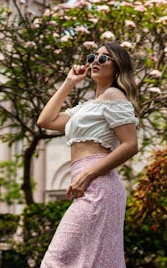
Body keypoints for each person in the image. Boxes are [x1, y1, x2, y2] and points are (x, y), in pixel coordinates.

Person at [37, 41, 140, 268]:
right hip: (89, 182)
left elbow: (131, 144)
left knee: (56, 261)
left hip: (98, 183)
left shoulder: (114, 95)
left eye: (103, 58)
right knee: (84, 261)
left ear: (117, 68)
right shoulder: (87, 107)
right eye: (92, 57)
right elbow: (45, 120)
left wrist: (87, 175)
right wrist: (69, 82)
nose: (95, 62)